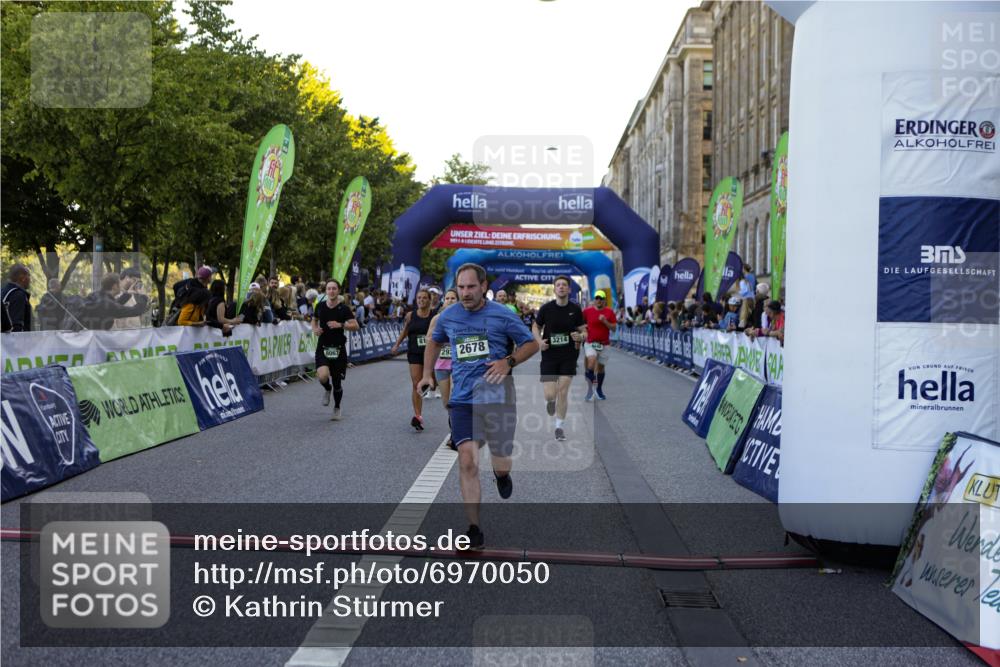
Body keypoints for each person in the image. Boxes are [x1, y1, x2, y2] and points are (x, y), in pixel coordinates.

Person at [419, 263, 539, 550]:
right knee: (468, 459)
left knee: (500, 462)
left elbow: (531, 344)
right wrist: (427, 374)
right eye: (461, 287)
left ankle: (502, 474)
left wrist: (507, 362)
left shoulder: (502, 315)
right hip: (462, 399)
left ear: (484, 286)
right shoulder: (449, 316)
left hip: (498, 398)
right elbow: (433, 343)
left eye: (471, 287)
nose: (465, 293)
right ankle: (474, 529)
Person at [532, 276, 587, 441]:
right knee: (550, 394)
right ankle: (550, 401)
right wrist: (539, 341)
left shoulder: (575, 309)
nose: (561, 287)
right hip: (549, 355)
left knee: (563, 392)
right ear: (554, 289)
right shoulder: (546, 308)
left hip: (569, 356)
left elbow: (584, 331)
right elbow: (536, 326)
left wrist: (581, 336)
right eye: (558, 285)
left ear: (569, 289)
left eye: (564, 285)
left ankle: (559, 427)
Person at [312, 279, 359, 420]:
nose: (331, 291)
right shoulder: (320, 306)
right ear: (326, 291)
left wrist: (341, 325)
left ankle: (337, 407)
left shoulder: (344, 309)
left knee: (337, 382)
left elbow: (355, 325)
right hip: (323, 346)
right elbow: (314, 319)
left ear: (338, 291)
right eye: (329, 289)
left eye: (334, 288)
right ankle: (327, 388)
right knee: (322, 376)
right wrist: (315, 329)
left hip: (338, 348)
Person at [392, 288, 434, 431]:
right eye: (419, 298)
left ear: (430, 300)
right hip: (414, 352)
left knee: (428, 383)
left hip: (431, 353)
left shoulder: (435, 316)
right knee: (416, 383)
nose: (421, 300)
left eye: (424, 298)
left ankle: (429, 384)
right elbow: (405, 331)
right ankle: (418, 416)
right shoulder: (411, 315)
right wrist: (397, 344)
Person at [427, 288, 459, 447]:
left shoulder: (463, 318)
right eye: (447, 298)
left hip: (459, 365)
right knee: (447, 402)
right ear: (443, 301)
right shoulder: (437, 319)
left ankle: (455, 434)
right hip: (441, 364)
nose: (450, 300)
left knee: (456, 398)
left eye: (453, 298)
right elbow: (429, 339)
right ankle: (454, 427)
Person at [81, 273, 151, 330]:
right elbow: (136, 311)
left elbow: (112, 306)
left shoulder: (95, 295)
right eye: (119, 283)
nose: (121, 286)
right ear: (114, 286)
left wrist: (127, 294)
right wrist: (143, 296)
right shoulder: (109, 305)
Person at [582, 290, 617, 401]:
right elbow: (580, 324)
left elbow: (614, 328)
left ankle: (599, 389)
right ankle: (589, 390)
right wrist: (583, 330)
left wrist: (605, 321)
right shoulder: (587, 311)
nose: (598, 300)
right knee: (591, 362)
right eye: (596, 298)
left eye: (601, 298)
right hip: (590, 343)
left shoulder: (609, 312)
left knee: (601, 368)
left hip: (604, 344)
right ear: (594, 300)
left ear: (604, 300)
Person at [1, 264, 32, 332]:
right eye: (28, 275)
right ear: (22, 278)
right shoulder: (18, 294)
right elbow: (16, 325)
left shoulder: (3, 291)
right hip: (14, 340)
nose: (30, 279)